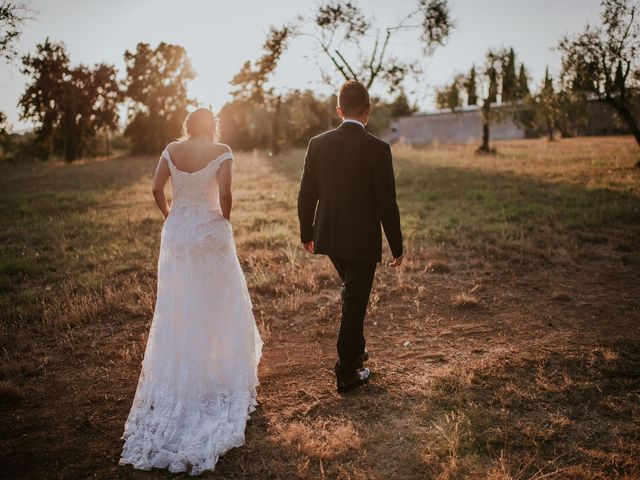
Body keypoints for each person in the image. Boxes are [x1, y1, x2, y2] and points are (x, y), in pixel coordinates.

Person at [120, 108, 262, 475]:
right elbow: (226, 193)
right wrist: (222, 219)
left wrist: (172, 215)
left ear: (187, 126)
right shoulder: (222, 150)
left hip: (178, 233)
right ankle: (218, 371)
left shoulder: (171, 148)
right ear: (212, 126)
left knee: (179, 305)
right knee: (218, 304)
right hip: (211, 231)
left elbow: (155, 189)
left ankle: (187, 374)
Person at [297, 80, 404, 394]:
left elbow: (306, 194)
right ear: (368, 111)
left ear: (339, 111)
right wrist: (396, 245)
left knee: (353, 298)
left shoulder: (317, 144)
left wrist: (307, 232)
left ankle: (357, 353)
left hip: (328, 237)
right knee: (353, 305)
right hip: (360, 242)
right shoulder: (379, 149)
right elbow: (387, 203)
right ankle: (346, 373)